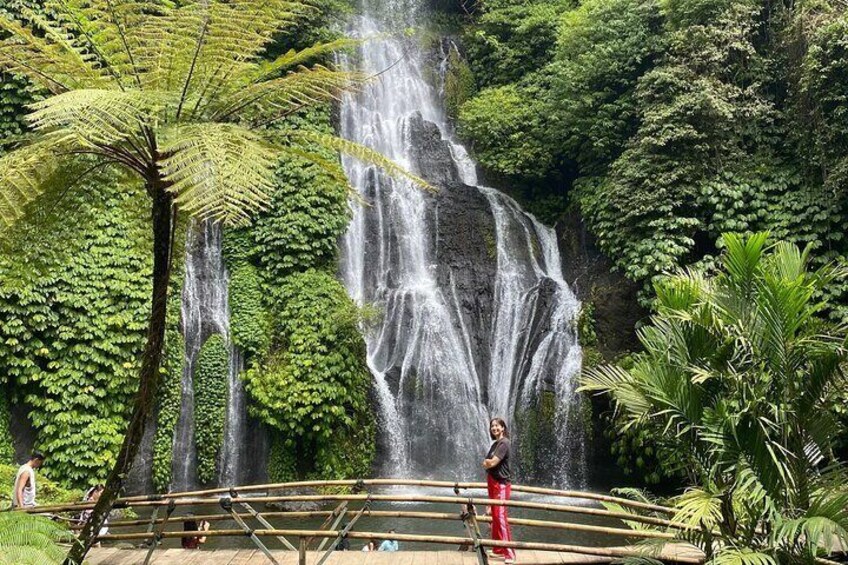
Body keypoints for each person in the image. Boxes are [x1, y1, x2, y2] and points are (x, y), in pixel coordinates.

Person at [482, 418, 516, 564]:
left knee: (501, 518)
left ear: (503, 428)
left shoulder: (504, 443)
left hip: (501, 484)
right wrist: (488, 463)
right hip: (493, 483)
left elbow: (492, 462)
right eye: (492, 426)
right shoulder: (495, 444)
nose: (494, 428)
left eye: (497, 426)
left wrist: (488, 463)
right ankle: (498, 549)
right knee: (495, 517)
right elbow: (485, 462)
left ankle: (510, 553)